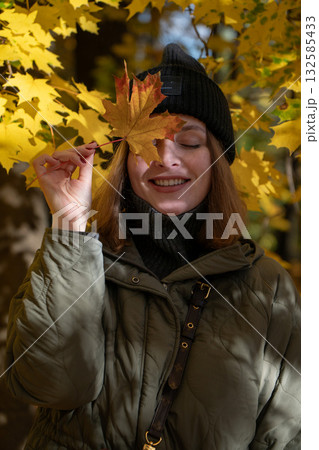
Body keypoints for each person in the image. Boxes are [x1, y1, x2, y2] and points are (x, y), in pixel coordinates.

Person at [5, 44, 300, 450]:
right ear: (125, 159)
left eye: (190, 142)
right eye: (148, 143)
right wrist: (70, 226)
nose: (167, 158)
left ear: (218, 161)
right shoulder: (77, 257)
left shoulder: (266, 286)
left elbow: (288, 434)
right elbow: (48, 384)